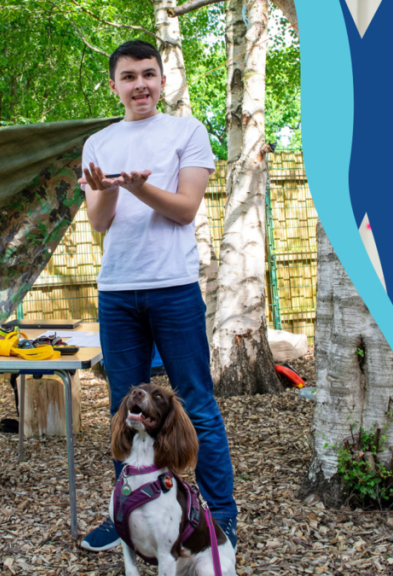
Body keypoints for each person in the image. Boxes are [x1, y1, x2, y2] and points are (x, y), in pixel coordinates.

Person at [77, 40, 238, 552]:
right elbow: (99, 221)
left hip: (173, 287)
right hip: (117, 291)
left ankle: (220, 516)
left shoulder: (187, 131)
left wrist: (137, 187)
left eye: (148, 74)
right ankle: (129, 516)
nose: (140, 84)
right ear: (114, 86)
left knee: (196, 402)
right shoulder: (98, 142)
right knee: (124, 410)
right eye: (129, 77)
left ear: (162, 81)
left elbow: (186, 208)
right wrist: (108, 188)